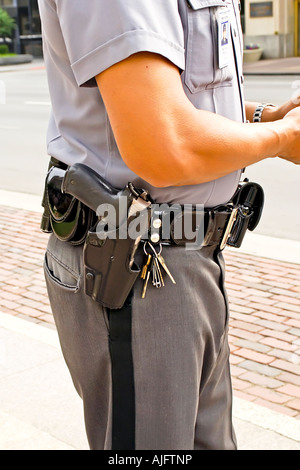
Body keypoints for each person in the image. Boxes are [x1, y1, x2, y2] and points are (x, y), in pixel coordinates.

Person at [37, 0, 300, 451]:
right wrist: (281, 139)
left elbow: (182, 98)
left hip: (181, 260)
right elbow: (163, 144)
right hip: (136, 270)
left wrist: (263, 117)